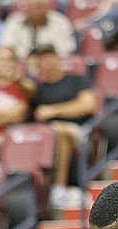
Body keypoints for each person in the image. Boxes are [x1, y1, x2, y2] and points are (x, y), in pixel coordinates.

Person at [27, 44, 97, 203]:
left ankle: (59, 188)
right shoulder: (39, 90)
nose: (47, 62)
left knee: (60, 131)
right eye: (42, 59)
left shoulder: (75, 80)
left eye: (50, 57)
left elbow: (88, 105)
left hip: (81, 132)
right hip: (48, 138)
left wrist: (54, 111)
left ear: (58, 58)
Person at [0, 0, 77, 60]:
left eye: (38, 7)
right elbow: (7, 45)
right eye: (31, 7)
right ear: (24, 8)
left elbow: (67, 50)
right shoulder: (14, 21)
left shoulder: (60, 22)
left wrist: (45, 57)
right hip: (21, 63)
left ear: (46, 6)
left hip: (53, 62)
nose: (35, 12)